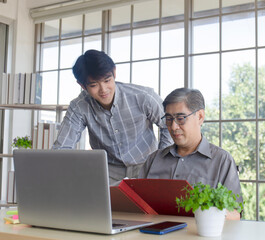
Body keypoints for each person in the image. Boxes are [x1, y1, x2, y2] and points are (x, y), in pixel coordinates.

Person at [53, 49, 173, 184]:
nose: (103, 89)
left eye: (107, 80)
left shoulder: (143, 96)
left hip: (146, 165)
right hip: (107, 172)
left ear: (114, 72)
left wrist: (161, 160)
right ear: (82, 85)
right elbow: (62, 149)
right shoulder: (79, 107)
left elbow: (168, 126)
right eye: (93, 85)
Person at [138, 88, 243, 219]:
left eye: (180, 118)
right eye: (169, 119)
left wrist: (205, 213)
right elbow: (138, 206)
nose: (173, 126)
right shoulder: (153, 159)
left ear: (200, 117)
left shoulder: (221, 160)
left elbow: (235, 213)